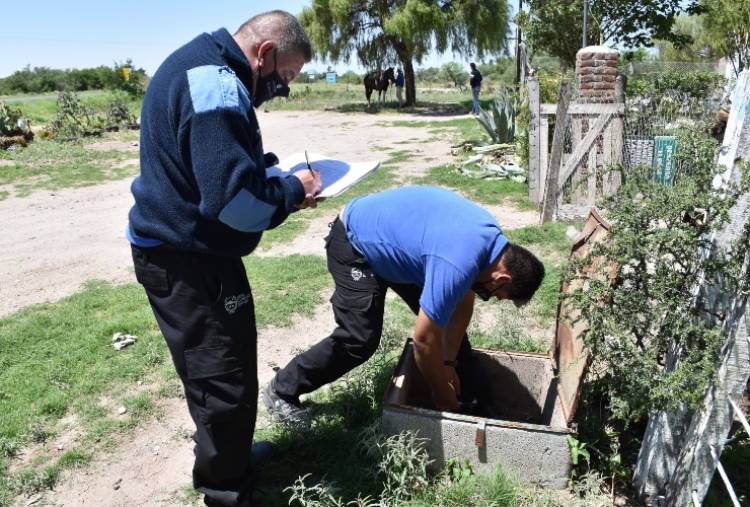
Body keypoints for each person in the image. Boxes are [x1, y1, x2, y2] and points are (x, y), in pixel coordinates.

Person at [126, 10, 321, 507]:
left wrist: (269, 174)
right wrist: (291, 193)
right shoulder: (216, 86)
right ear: (265, 54)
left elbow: (212, 166)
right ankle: (224, 491)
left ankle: (231, 457)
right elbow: (234, 204)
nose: (283, 88)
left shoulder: (205, 65)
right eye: (286, 77)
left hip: (196, 250)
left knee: (228, 365)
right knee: (221, 379)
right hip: (186, 261)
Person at [263, 186, 545, 421]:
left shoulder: (489, 245)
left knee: (454, 343)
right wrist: (440, 391)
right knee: (359, 338)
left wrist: (447, 362)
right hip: (356, 243)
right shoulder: (458, 262)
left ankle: (473, 404)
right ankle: (282, 390)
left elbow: (462, 305)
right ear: (502, 277)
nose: (488, 297)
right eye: (494, 294)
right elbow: (423, 341)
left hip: (401, 252)